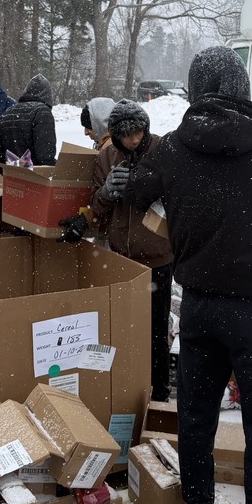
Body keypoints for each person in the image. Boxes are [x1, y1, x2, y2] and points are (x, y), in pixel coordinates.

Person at [125, 46, 252, 504]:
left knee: (195, 422)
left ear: (196, 89)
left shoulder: (173, 148)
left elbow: (137, 194)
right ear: (241, 86)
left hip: (198, 305)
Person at [90, 99, 174, 402]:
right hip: (120, 257)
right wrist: (106, 192)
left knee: (154, 333)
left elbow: (178, 198)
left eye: (138, 133)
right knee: (122, 330)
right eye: (126, 135)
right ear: (115, 135)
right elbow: (96, 210)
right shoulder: (107, 157)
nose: (133, 140)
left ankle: (159, 392)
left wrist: (144, 185)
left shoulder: (163, 151)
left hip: (158, 258)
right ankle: (126, 388)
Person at [0, 74, 56, 166]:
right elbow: (45, 155)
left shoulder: (7, 112)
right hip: (36, 176)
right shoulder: (42, 112)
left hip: (11, 174)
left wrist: (11, 170)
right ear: (48, 96)